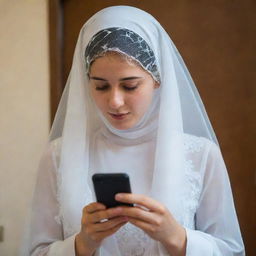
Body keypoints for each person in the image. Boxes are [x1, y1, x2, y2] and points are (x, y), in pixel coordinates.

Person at [26, 5, 245, 256]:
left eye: (129, 86)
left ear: (157, 80)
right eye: (100, 86)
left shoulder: (201, 155)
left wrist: (178, 238)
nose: (115, 101)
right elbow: (35, 251)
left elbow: (231, 250)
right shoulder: (59, 156)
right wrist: (82, 244)